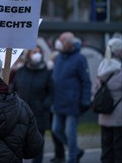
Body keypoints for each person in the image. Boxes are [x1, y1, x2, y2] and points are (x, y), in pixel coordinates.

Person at [52, 32, 92, 163]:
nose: (58, 43)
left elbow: (86, 81)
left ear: (68, 43)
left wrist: (85, 100)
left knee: (70, 133)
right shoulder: (58, 58)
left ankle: (72, 159)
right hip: (58, 101)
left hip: (72, 102)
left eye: (61, 40)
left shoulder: (80, 58)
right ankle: (77, 151)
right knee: (56, 130)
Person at [10, 45, 54, 163]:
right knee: (18, 143)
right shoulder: (21, 71)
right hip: (20, 114)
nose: (37, 54)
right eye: (34, 52)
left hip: (39, 115)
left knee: (37, 144)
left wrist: (44, 105)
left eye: (39, 52)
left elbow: (51, 92)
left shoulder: (46, 72)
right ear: (28, 55)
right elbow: (13, 89)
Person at [92, 37, 122, 163]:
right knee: (119, 148)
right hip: (119, 113)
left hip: (104, 113)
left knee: (106, 147)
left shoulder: (102, 66)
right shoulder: (120, 69)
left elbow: (95, 90)